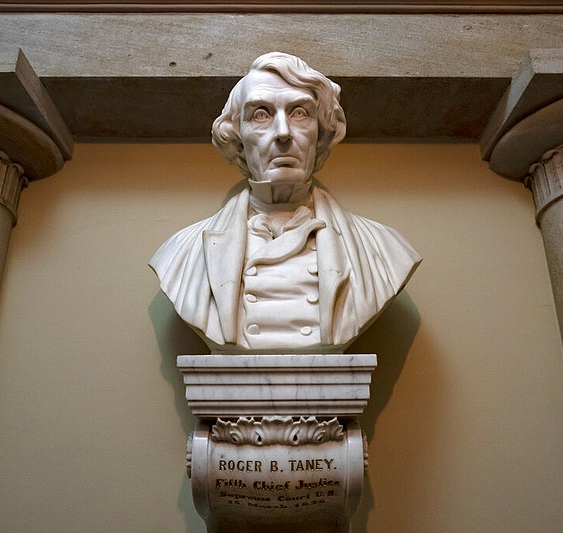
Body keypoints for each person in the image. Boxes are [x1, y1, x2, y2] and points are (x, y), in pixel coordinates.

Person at [150, 52, 421, 353]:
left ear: (321, 134)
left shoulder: (382, 249)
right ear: (238, 138)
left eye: (300, 113)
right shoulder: (183, 251)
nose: (283, 133)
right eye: (261, 114)